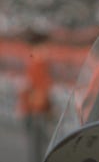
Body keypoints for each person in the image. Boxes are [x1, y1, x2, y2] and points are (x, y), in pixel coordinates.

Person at [17, 28, 52, 162]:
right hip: (35, 106)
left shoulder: (37, 61)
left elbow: (38, 86)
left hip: (35, 107)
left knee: (37, 143)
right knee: (36, 143)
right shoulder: (37, 61)